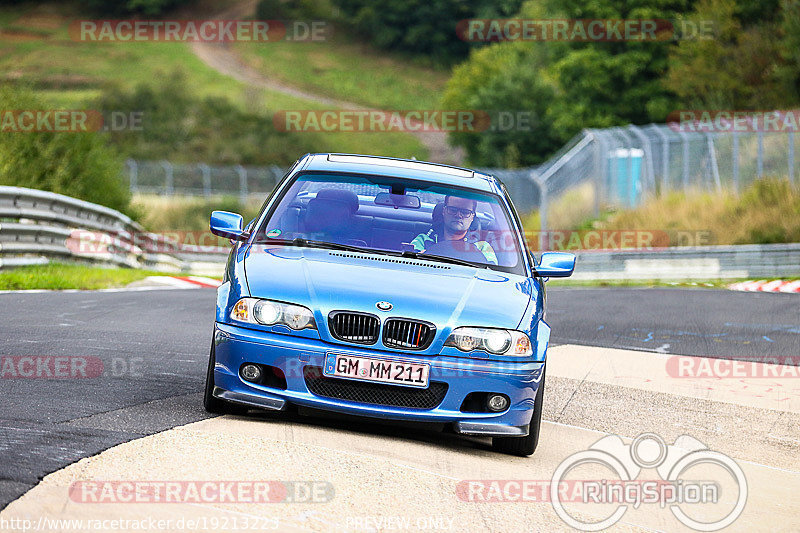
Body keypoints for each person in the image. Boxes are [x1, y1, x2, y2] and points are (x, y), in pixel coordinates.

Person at [410, 195, 497, 264]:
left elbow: (491, 274)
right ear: (444, 211)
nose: (458, 215)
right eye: (453, 210)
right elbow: (409, 266)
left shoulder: (482, 247)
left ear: (472, 217)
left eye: (465, 212)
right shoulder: (423, 240)